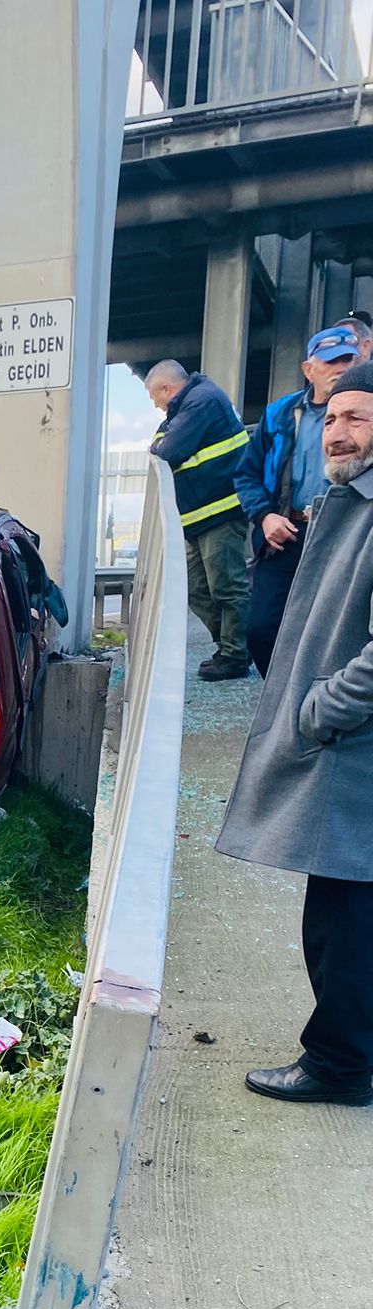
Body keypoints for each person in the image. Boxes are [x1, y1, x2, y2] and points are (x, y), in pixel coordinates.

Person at [215, 363, 373, 1105]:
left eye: (357, 419)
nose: (337, 432)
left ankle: (339, 1067)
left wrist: (320, 709)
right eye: (332, 418)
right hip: (347, 744)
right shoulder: (347, 500)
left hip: (353, 750)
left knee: (343, 916)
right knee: (345, 909)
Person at [235, 323, 361, 677]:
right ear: (309, 369)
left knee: (336, 634)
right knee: (261, 630)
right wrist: (264, 517)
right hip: (287, 534)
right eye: (331, 361)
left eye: (349, 360)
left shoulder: (366, 414)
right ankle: (282, 698)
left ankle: (322, 710)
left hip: (344, 536)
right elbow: (246, 474)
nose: (341, 368)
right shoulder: (279, 415)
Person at [146, 359, 251, 679]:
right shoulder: (188, 407)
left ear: (167, 388)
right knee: (196, 588)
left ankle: (235, 654)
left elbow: (166, 450)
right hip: (199, 517)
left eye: (155, 399)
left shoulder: (203, 400)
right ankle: (231, 646)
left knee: (226, 587)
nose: (158, 407)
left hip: (220, 511)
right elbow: (157, 444)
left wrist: (164, 440)